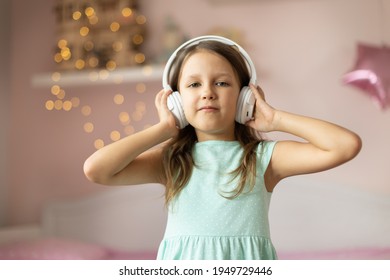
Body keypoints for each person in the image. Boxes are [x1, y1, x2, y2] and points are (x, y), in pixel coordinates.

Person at [83, 36, 362, 260]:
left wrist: (275, 119)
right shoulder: (172, 161)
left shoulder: (264, 158)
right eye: (194, 84)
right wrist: (163, 130)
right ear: (176, 103)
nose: (207, 92)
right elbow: (97, 170)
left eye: (222, 83)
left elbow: (345, 146)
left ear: (244, 97)